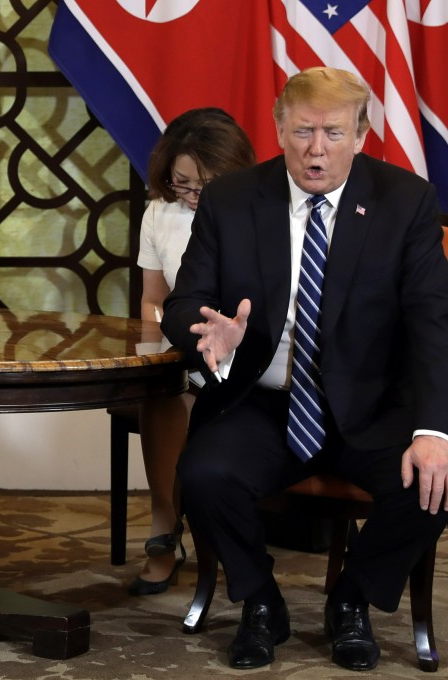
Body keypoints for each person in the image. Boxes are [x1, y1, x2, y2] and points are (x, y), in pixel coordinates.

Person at [161, 66, 448, 671]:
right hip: (264, 401)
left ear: (362, 135)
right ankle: (261, 601)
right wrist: (213, 332)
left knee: (435, 481)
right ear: (279, 128)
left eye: (334, 134)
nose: (317, 150)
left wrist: (433, 431)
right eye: (303, 131)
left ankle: (352, 601)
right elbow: (185, 302)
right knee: (205, 473)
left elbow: (432, 323)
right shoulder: (233, 198)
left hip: (370, 407)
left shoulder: (405, 202)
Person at [130, 108, 256, 596]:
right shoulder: (160, 213)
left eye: (207, 184)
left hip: (245, 350)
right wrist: (159, 349)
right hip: (184, 345)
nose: (194, 195)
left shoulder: (261, 210)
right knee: (161, 389)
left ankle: (221, 531)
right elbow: (152, 300)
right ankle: (165, 527)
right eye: (183, 183)